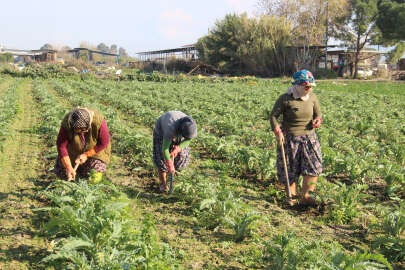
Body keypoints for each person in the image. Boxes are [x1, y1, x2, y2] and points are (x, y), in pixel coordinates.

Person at [270, 70, 322, 206]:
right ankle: (291, 198)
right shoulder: (285, 99)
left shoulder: (312, 98)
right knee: (290, 169)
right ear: (298, 85)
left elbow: (318, 115)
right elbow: (273, 116)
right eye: (306, 86)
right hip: (290, 139)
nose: (309, 89)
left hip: (310, 139)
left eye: (311, 86)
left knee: (313, 166)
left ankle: (306, 196)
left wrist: (317, 120)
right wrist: (277, 130)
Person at [54, 107, 111, 181]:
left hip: (95, 150)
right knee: (63, 174)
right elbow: (61, 146)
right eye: (77, 130)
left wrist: (86, 154)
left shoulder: (98, 121)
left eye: (83, 129)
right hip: (73, 149)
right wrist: (68, 167)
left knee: (94, 175)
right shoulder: (67, 123)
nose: (81, 132)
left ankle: (89, 187)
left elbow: (103, 142)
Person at [153, 111, 197, 193]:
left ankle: (174, 179)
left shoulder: (191, 127)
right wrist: (169, 163)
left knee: (182, 157)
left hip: (179, 131)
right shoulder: (170, 128)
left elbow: (188, 139)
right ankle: (163, 183)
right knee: (162, 159)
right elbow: (165, 148)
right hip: (162, 132)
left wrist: (178, 148)